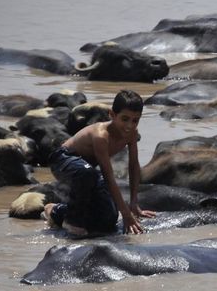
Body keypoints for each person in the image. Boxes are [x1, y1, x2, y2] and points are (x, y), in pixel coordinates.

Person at [43, 89, 155, 236]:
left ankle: (56, 211)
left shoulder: (132, 134)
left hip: (88, 171)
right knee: (86, 172)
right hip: (63, 160)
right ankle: (72, 220)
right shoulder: (101, 136)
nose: (129, 125)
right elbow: (108, 176)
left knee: (110, 218)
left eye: (135, 120)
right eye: (125, 119)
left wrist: (133, 203)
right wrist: (126, 215)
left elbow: (133, 166)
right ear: (112, 115)